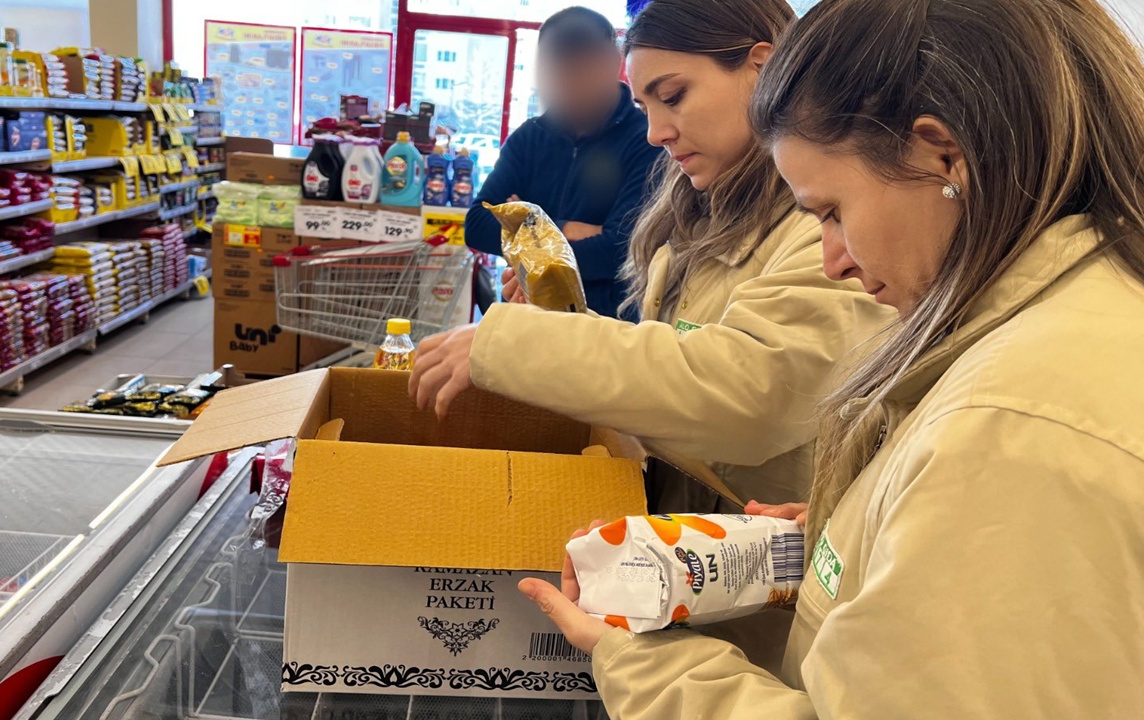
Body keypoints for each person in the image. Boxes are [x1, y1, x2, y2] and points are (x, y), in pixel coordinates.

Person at [521, 0, 1144, 716]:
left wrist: (632, 659)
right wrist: (851, 530)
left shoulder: (1018, 425)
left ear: (942, 156)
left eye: (832, 212)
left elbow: (749, 388)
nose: (834, 261)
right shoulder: (1064, 334)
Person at [413, 0, 891, 511]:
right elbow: (674, 364)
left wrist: (522, 346)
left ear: (762, 68)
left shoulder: (825, 225)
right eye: (646, 109)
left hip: (766, 562)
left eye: (673, 96)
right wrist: (563, 327)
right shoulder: (692, 217)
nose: (655, 133)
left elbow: (747, 395)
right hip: (695, 546)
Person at [462, 6, 663, 318]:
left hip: (608, 329)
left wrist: (524, 229)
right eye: (556, 73)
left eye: (580, 72)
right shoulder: (529, 137)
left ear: (613, 63)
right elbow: (477, 225)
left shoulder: (648, 139)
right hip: (526, 319)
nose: (567, 87)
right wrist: (565, 229)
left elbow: (621, 250)